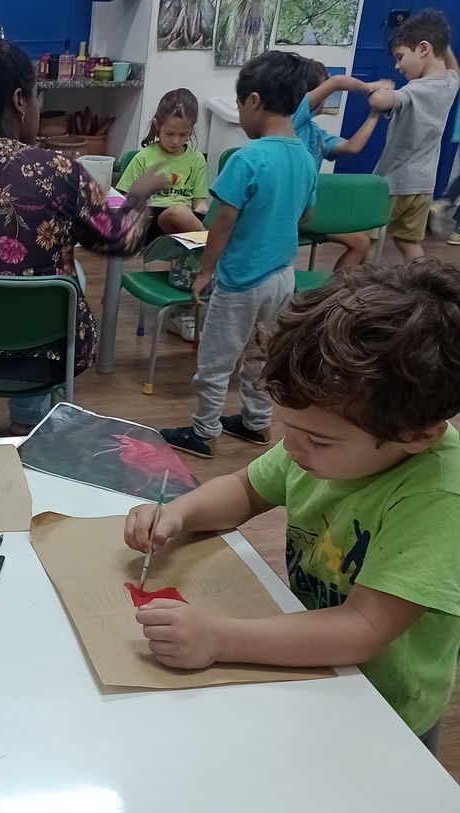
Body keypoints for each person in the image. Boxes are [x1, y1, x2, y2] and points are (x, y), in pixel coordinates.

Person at [124, 260, 460, 752]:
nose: (294, 449)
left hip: (382, 712)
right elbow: (244, 491)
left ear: (416, 435)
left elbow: (363, 628)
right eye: (287, 427)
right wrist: (179, 514)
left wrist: (217, 639)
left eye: (318, 440)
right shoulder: (320, 437)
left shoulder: (439, 497)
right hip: (311, 665)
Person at [0, 10, 162, 434]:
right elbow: (121, 238)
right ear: (19, 101)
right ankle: (27, 424)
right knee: (66, 275)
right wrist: (139, 194)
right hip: (40, 361)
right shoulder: (59, 170)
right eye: (37, 96)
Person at [160, 50, 316, 460]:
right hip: (283, 277)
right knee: (262, 354)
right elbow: (306, 214)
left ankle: (204, 432)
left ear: (254, 101)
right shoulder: (304, 157)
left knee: (216, 359)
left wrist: (204, 270)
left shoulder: (247, 158)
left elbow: (222, 223)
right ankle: (256, 422)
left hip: (242, 280)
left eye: (239, 104)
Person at [367, 9, 460, 260]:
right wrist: (443, 41)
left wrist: (379, 89)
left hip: (394, 183)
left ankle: (360, 283)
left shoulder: (415, 89)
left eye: (400, 57)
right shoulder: (449, 84)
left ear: (423, 49)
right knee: (407, 242)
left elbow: (380, 101)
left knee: (365, 238)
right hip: (423, 186)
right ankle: (426, 281)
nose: (397, 66)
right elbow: (454, 69)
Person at [294, 59, 390, 268]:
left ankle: (335, 287)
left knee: (361, 243)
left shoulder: (315, 132)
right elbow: (337, 81)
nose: (328, 97)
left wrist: (374, 114)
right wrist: (370, 87)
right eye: (324, 91)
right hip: (291, 211)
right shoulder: (294, 118)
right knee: (361, 242)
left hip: (306, 210)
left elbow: (352, 147)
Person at [116, 88, 209, 238]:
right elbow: (125, 199)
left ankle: (207, 240)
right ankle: (211, 242)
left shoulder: (197, 160)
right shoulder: (144, 157)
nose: (175, 141)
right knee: (176, 212)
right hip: (148, 225)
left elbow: (199, 202)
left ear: (191, 130)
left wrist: (203, 211)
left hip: (184, 227)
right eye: (169, 133)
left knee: (180, 213)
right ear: (157, 125)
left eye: (183, 134)